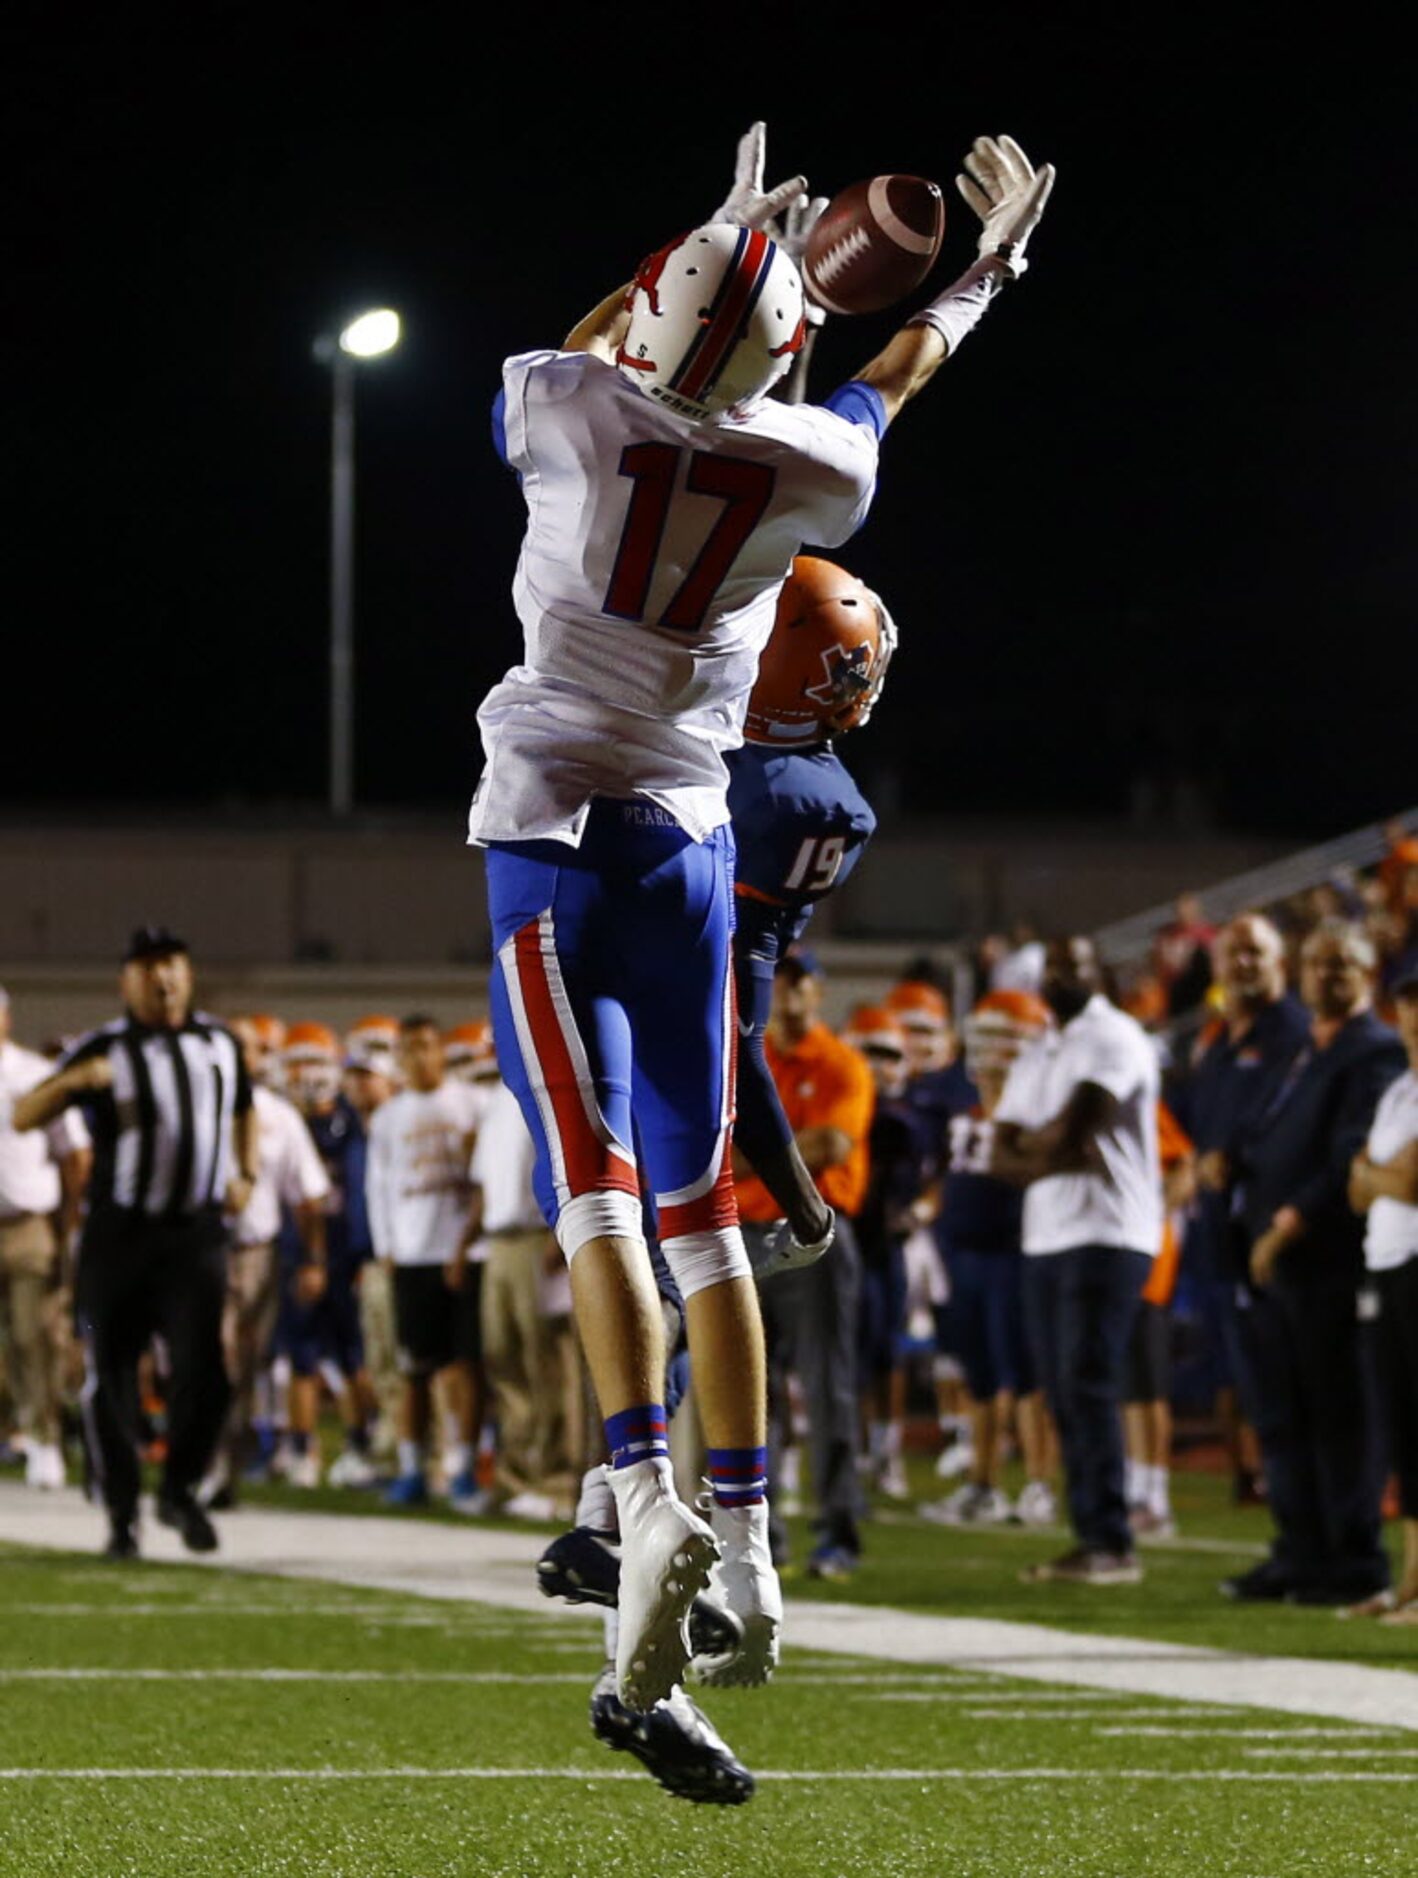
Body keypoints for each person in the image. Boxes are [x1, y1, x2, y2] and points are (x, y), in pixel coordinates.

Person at [466, 121, 1055, 1707]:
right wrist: (985, 275)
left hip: (548, 834)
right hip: (689, 847)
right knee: (700, 1214)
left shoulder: (571, 409)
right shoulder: (816, 468)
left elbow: (596, 337)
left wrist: (709, 234)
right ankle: (749, 1547)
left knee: (587, 1189)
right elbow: (899, 372)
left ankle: (637, 1488)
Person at [11, 928, 257, 1558]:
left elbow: (243, 1108)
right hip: (120, 1235)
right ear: (126, 981)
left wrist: (246, 1170)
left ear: (188, 973)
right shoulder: (106, 1048)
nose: (162, 979)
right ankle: (122, 1514)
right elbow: (23, 1116)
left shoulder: (220, 1043)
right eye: (147, 968)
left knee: (207, 1373)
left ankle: (178, 1491)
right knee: (111, 1376)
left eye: (171, 965)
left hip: (195, 1234)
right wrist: (73, 1083)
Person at [1225, 920, 1405, 1605]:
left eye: (1341, 966)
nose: (1325, 978)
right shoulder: (1304, 1048)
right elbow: (1269, 1132)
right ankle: (1299, 1551)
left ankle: (1352, 1558)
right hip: (1278, 1262)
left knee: (1336, 1412)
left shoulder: (1374, 1054)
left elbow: (1345, 1161)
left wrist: (1287, 1224)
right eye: (1316, 965)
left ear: (1368, 976)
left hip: (1324, 1258)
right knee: (1283, 1412)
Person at [991, 935, 1161, 1585]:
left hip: (1108, 1230)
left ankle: (1111, 1539)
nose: (1064, 976)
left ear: (1100, 973)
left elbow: (1073, 1135)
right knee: (1062, 1391)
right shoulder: (1040, 1048)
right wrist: (1042, 1150)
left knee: (1087, 1384)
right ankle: (1094, 1533)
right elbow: (1003, 1150)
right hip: (1048, 1235)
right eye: (1056, 968)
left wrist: (1036, 1149)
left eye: (1078, 966)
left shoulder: (1113, 1036)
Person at [737, 952, 875, 1578]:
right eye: (779, 977)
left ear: (818, 990)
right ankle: (763, 1534)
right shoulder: (743, 1057)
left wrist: (750, 1154)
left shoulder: (840, 1061)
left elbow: (834, 1145)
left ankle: (838, 1530)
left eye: (799, 979)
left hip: (812, 1232)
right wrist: (788, 1149)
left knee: (828, 1385)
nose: (787, 989)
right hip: (741, 1235)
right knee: (750, 1394)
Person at [1173, 912, 1309, 1505]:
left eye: (1257, 952)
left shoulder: (1297, 1035)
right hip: (1222, 1232)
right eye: (1235, 953)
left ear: (1281, 962)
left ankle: (1303, 1504)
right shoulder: (1222, 1044)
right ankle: (1261, 1489)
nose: (1245, 963)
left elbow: (1298, 1128)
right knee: (1238, 1367)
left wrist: (1236, 1159)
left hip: (1278, 1229)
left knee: (1287, 1376)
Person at [923, 990, 1057, 1528]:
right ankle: (982, 1483)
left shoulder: (1040, 1108)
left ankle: (1040, 1484)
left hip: (1015, 1251)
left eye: (1004, 1039)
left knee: (1024, 1371)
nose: (991, 1053)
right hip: (963, 1252)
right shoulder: (963, 1109)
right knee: (978, 1373)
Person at [202, 1013, 331, 1507]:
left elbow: (309, 1195)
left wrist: (313, 1259)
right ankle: (207, 1461)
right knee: (209, 1357)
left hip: (255, 1252)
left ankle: (222, 1464)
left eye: (245, 1047)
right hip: (198, 1250)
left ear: (260, 1057)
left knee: (240, 1362)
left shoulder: (278, 1115)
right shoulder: (191, 1106)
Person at [364, 1015, 486, 1507]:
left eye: (427, 1046)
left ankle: (463, 1466)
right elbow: (378, 1185)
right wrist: (386, 1247)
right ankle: (414, 1466)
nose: (418, 1057)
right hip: (412, 1253)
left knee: (463, 1365)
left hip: (460, 1250)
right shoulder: (389, 1116)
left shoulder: (469, 1104)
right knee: (414, 1367)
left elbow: (482, 1180)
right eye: (408, 1049)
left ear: (441, 1051)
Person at [1347, 969, 1418, 1621]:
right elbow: (1359, 1185)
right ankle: (1410, 1583)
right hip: (1387, 1259)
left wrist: (1379, 1174)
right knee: (1402, 1426)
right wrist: (1380, 1174)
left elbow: (1412, 1179)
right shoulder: (1399, 1089)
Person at [0, 985, 91, 1488]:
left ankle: (43, 1438)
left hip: (26, 1221)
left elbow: (74, 1153)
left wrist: (68, 1224)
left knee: (35, 1335)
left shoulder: (35, 1073)